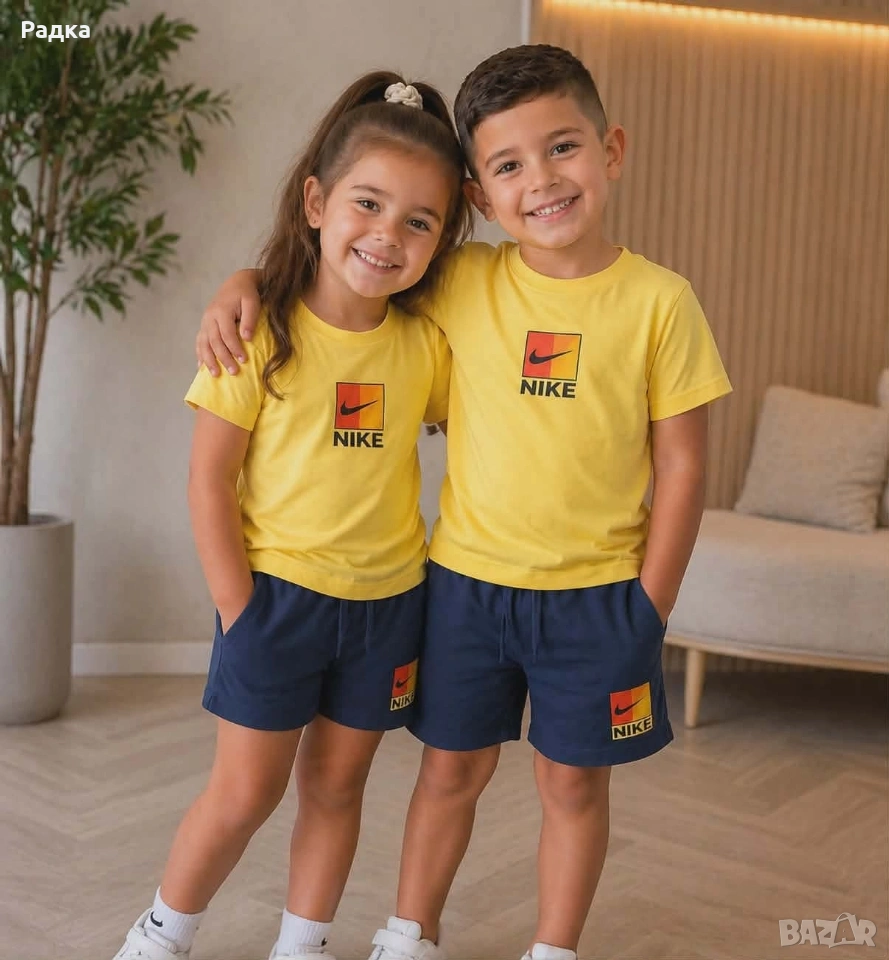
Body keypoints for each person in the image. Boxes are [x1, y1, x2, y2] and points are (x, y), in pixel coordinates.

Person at [195, 44, 733, 960]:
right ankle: (410, 934)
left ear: (610, 149)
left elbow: (682, 464)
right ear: (480, 198)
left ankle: (554, 947)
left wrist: (651, 605)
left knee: (573, 785)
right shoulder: (460, 278)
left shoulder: (660, 302)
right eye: (508, 166)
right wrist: (240, 283)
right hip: (462, 592)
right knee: (448, 772)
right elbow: (343, 272)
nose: (542, 181)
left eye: (561, 148)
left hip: (600, 597)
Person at [111, 70, 472, 960]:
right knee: (244, 793)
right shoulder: (253, 332)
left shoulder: (428, 345)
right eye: (367, 204)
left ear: (442, 240)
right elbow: (208, 482)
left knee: (337, 789)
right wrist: (239, 611)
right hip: (274, 602)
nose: (386, 235)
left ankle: (302, 944)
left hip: (389, 607)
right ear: (316, 202)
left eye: (418, 222)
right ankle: (160, 936)